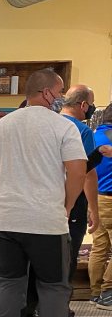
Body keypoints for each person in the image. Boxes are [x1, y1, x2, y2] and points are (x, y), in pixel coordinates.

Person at [0, 69, 86, 317]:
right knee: (53, 287)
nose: (61, 98)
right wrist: (66, 206)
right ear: (47, 93)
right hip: (46, 220)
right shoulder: (63, 127)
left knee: (9, 284)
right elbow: (77, 171)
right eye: (59, 92)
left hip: (5, 221)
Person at [60, 86, 100, 295]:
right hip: (73, 203)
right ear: (83, 105)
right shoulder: (82, 131)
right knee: (68, 256)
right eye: (91, 104)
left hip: (45, 199)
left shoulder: (50, 124)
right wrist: (93, 209)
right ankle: (60, 306)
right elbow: (87, 173)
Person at [89, 105, 112, 307]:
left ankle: (95, 292)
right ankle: (108, 293)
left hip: (97, 197)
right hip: (111, 198)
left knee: (99, 247)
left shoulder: (94, 136)